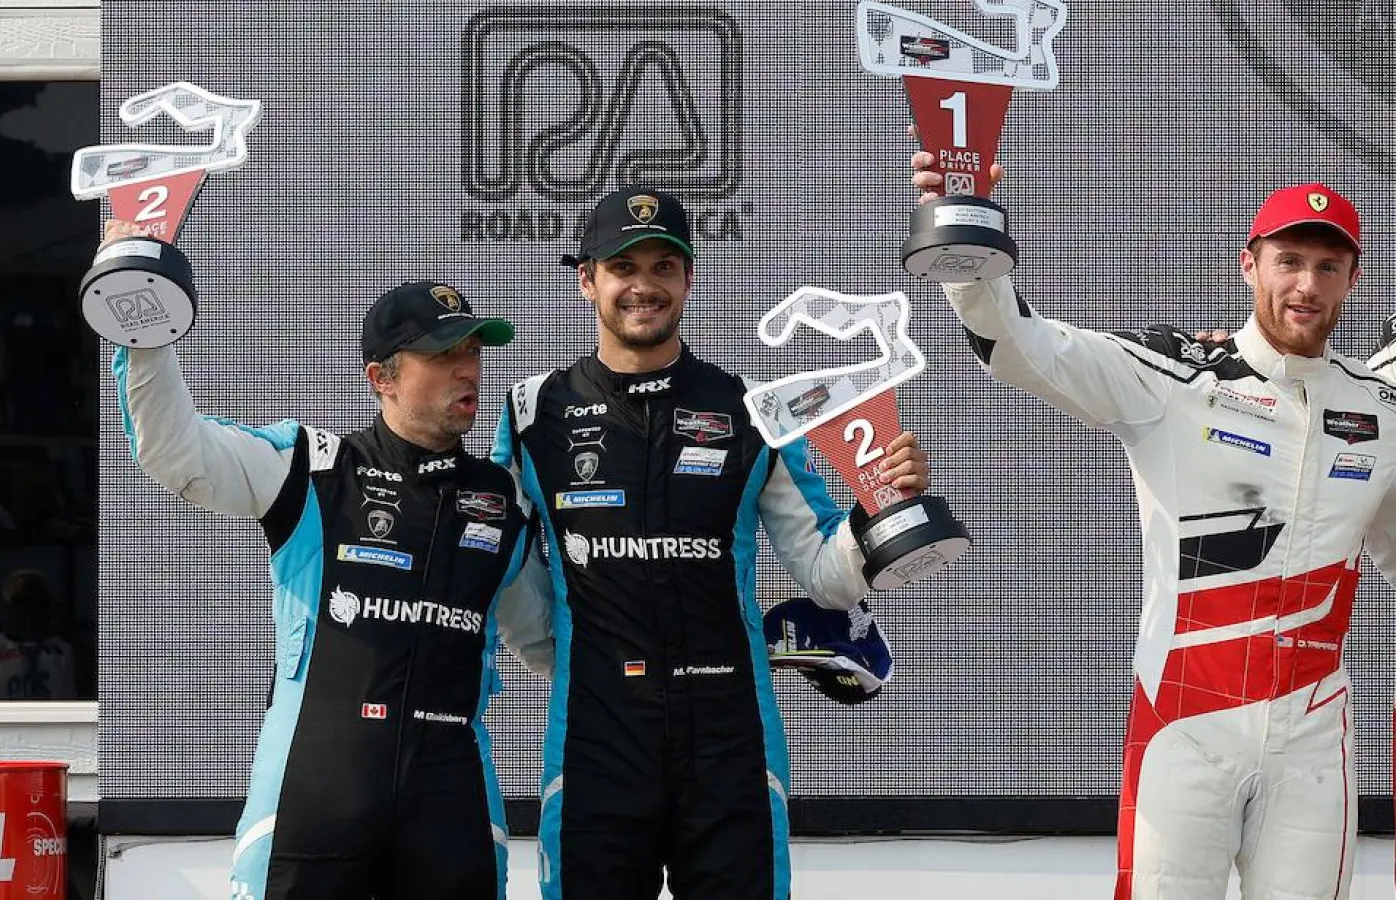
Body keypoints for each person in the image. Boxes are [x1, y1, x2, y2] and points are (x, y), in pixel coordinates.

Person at [911, 158, 1396, 899]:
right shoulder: (1175, 376)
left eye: (1328, 267)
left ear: (1352, 280)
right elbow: (1021, 348)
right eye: (1289, 261)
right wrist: (965, 233)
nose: (1306, 285)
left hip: (1314, 735)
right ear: (1249, 265)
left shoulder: (1379, 410)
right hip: (1186, 722)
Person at [490, 187, 931, 900]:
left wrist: (880, 507)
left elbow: (828, 574)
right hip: (595, 738)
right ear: (587, 280)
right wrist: (560, 655)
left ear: (689, 279)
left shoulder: (753, 410)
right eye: (623, 267)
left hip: (731, 739)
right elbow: (506, 565)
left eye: (664, 267)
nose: (644, 286)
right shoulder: (533, 412)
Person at [101, 221, 548, 900]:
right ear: (381, 378)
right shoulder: (312, 468)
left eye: (472, 351)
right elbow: (177, 452)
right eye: (442, 354)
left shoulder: (502, 500)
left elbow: (544, 640)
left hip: (452, 798)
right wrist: (143, 321)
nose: (468, 369)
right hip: (315, 787)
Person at [0, 568, 81, 700]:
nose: (35, 608)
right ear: (8, 607)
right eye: (25, 601)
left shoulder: (69, 649)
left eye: (42, 601)